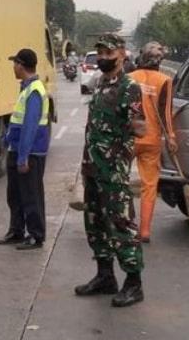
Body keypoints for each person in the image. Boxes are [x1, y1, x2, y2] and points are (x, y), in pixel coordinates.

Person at [75, 34, 147, 308]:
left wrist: (129, 130)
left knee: (120, 222)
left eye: (109, 53)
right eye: (100, 53)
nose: (103, 57)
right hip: (92, 165)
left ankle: (133, 282)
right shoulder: (101, 84)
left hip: (113, 169)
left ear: (122, 54)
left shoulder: (129, 87)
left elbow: (139, 126)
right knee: (94, 221)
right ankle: (105, 276)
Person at [0, 48, 50, 251]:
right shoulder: (25, 88)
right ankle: (16, 231)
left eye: (14, 63)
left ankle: (36, 235)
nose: (13, 67)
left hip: (30, 153)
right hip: (16, 149)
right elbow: (17, 121)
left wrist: (23, 157)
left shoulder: (35, 90)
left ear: (20, 65)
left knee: (31, 194)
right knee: (15, 195)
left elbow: (30, 126)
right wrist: (7, 139)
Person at [129, 42, 177, 243]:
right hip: (152, 140)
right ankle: (145, 230)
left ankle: (126, 222)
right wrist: (171, 137)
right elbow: (166, 112)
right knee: (149, 186)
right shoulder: (165, 80)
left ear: (141, 58)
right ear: (160, 62)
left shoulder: (129, 79)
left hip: (129, 138)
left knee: (119, 180)